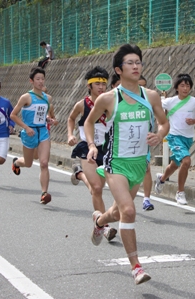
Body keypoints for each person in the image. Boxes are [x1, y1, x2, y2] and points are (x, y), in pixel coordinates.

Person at [84, 44, 169, 285]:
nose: (135, 66)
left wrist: (160, 135)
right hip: (116, 164)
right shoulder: (109, 98)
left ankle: (99, 221)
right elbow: (89, 123)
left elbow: (164, 123)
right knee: (129, 211)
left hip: (139, 164)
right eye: (130, 63)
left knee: (116, 212)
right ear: (118, 70)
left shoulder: (150, 96)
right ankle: (137, 267)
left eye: (138, 62)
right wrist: (91, 145)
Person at [67, 66, 117, 243]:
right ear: (89, 85)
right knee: (96, 188)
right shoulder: (82, 104)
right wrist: (70, 134)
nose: (101, 87)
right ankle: (104, 226)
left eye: (104, 83)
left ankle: (79, 174)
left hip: (107, 148)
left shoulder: (111, 102)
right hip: (87, 147)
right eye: (97, 83)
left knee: (98, 187)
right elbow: (71, 118)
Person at [155, 74, 195, 205]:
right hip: (173, 136)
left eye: (188, 86)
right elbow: (159, 112)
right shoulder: (169, 101)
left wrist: (194, 121)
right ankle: (180, 193)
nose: (185, 88)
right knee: (186, 161)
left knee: (175, 164)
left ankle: (161, 179)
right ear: (177, 87)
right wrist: (161, 125)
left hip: (188, 138)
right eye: (182, 86)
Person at [10, 67, 56, 204]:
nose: (41, 81)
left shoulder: (48, 98)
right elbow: (13, 115)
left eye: (42, 79)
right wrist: (26, 127)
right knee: (29, 163)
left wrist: (50, 120)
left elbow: (43, 116)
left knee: (44, 163)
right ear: (32, 81)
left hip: (42, 132)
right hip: (29, 133)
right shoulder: (26, 97)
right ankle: (17, 162)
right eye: (38, 79)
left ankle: (44, 193)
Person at [137, 75, 155, 211]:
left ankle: (146, 199)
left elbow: (162, 119)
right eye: (139, 85)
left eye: (144, 85)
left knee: (147, 168)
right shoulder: (122, 100)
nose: (142, 88)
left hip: (144, 143)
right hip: (125, 145)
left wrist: (158, 134)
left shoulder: (150, 100)